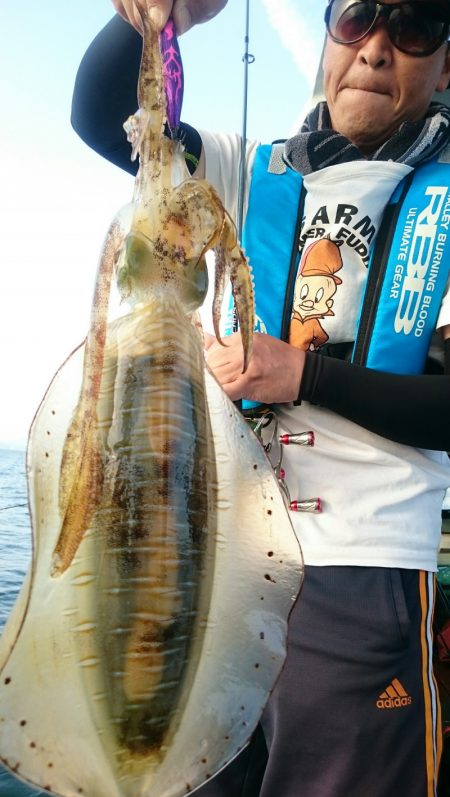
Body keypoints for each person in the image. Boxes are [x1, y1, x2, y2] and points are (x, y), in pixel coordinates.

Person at [71, 1, 450, 794]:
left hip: (361, 565)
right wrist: (155, 21)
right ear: (328, 41)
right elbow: (104, 116)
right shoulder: (249, 167)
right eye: (357, 22)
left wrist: (303, 376)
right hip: (221, 555)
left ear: (445, 66)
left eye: (413, 30)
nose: (377, 51)